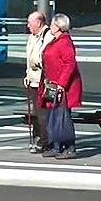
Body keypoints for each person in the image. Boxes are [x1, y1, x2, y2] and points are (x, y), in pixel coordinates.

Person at [40, 13, 82, 160]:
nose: (50, 26)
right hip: (53, 84)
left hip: (63, 87)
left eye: (52, 24)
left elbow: (69, 64)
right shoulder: (55, 40)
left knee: (62, 116)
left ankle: (69, 146)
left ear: (59, 26)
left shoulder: (64, 42)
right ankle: (56, 145)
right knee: (54, 115)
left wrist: (61, 84)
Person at [23, 11, 52, 154]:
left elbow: (46, 57)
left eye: (30, 23)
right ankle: (40, 139)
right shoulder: (32, 37)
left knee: (43, 113)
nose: (28, 26)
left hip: (42, 81)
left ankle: (45, 141)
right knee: (37, 113)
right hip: (33, 79)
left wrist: (37, 63)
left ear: (39, 23)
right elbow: (29, 58)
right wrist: (28, 75)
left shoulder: (47, 36)